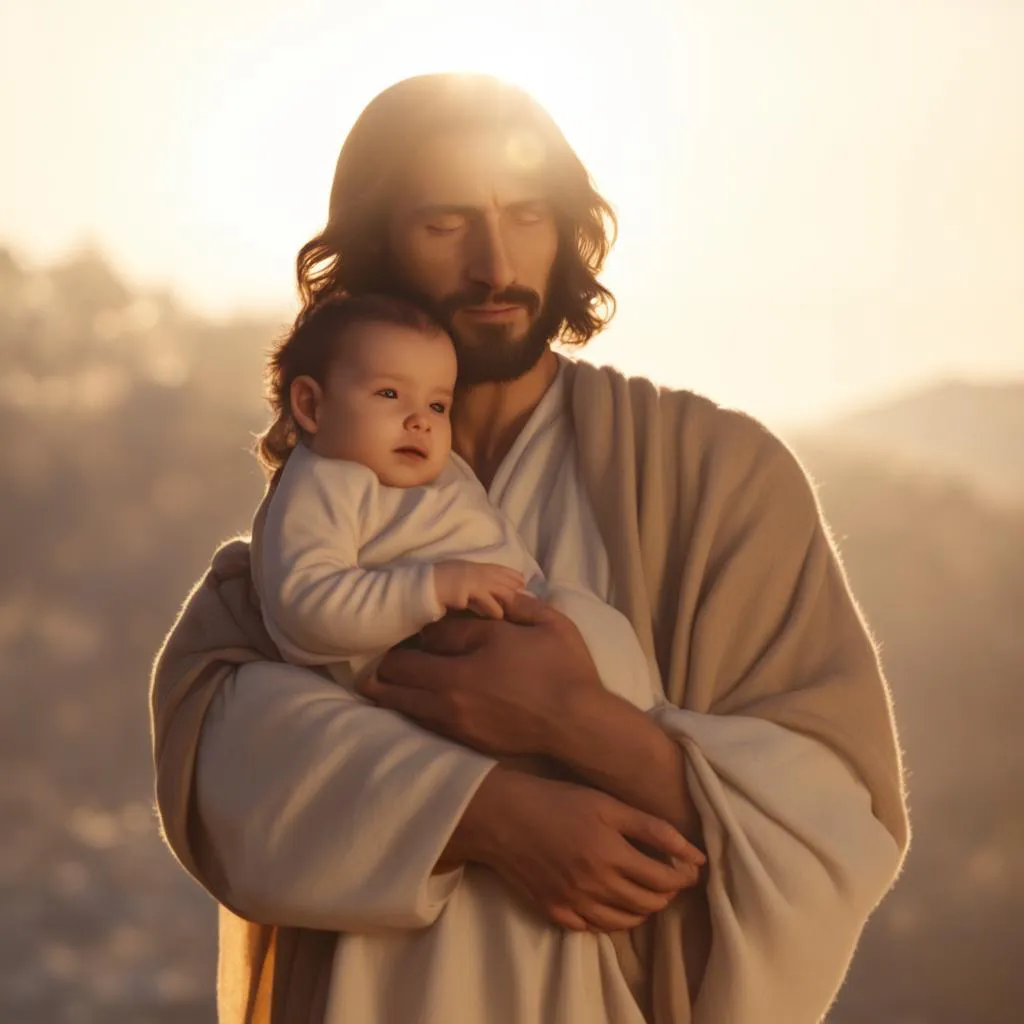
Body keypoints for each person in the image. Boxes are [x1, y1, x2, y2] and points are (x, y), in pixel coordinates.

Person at [151, 72, 909, 1024]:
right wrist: (491, 814)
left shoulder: (718, 477)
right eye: (444, 222)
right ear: (376, 237)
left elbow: (838, 826)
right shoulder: (322, 497)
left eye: (528, 216)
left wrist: (572, 718)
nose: (495, 264)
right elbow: (217, 757)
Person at [253, 291, 679, 744]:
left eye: (438, 405)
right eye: (389, 393)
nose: (420, 421)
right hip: (449, 681)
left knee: (594, 622)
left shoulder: (433, 471)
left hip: (534, 642)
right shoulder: (324, 481)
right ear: (311, 406)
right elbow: (306, 606)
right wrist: (434, 586)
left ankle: (647, 732)